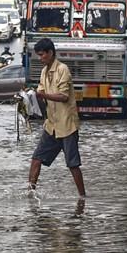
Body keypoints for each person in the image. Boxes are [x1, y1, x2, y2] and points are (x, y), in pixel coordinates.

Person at [28, 38, 86, 198]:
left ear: (50, 53)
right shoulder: (44, 72)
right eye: (38, 55)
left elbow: (63, 96)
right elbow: (40, 95)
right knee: (36, 159)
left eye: (42, 55)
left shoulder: (63, 69)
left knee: (73, 164)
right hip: (51, 125)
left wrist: (42, 94)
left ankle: (82, 197)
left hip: (67, 125)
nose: (40, 58)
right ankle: (30, 194)